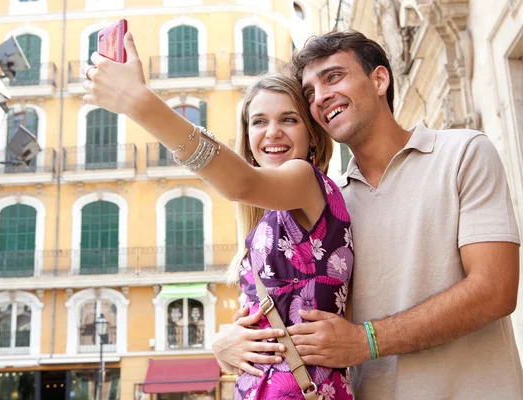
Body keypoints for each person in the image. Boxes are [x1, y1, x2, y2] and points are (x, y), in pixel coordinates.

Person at [81, 33, 354, 399]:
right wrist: (223, 344)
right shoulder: (272, 215)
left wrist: (140, 103)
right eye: (258, 122)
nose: (272, 132)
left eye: (288, 119)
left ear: (313, 137)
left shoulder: (307, 181)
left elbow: (240, 182)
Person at [281, 30, 522, 399]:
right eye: (310, 92)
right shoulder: (328, 204)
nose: (320, 98)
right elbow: (297, 309)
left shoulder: (463, 153)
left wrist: (367, 341)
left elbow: (496, 289)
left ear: (379, 79)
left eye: (333, 77)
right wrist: (233, 340)